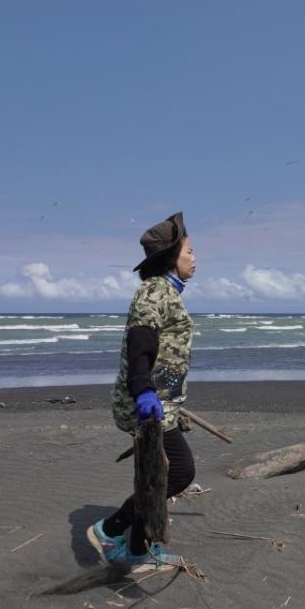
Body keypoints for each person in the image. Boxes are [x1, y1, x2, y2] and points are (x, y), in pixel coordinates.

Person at [86, 212, 197, 573]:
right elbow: (141, 345)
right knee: (179, 472)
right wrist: (144, 393)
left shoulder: (165, 292)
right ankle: (109, 530)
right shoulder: (152, 292)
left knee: (156, 472)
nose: (195, 259)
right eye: (190, 251)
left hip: (162, 403)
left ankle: (136, 549)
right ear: (171, 258)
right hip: (147, 406)